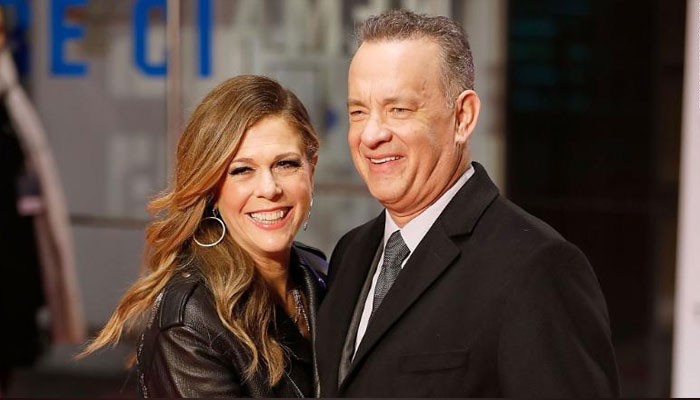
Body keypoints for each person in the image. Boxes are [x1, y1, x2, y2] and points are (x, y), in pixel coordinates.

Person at [316, 9, 619, 398]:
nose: (371, 134)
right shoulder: (351, 253)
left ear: (463, 117)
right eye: (358, 112)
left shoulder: (536, 267)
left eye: (398, 110)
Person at [80, 75, 327, 398]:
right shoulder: (189, 321)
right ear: (211, 187)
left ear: (311, 168)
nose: (269, 188)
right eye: (242, 170)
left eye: (285, 164)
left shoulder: (320, 274)